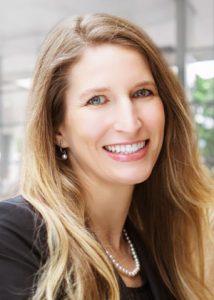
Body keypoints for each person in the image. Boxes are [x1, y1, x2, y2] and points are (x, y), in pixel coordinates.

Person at [0, 13, 213, 300]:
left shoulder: (160, 242)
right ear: (56, 129)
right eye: (97, 100)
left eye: (142, 92)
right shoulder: (14, 236)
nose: (130, 122)